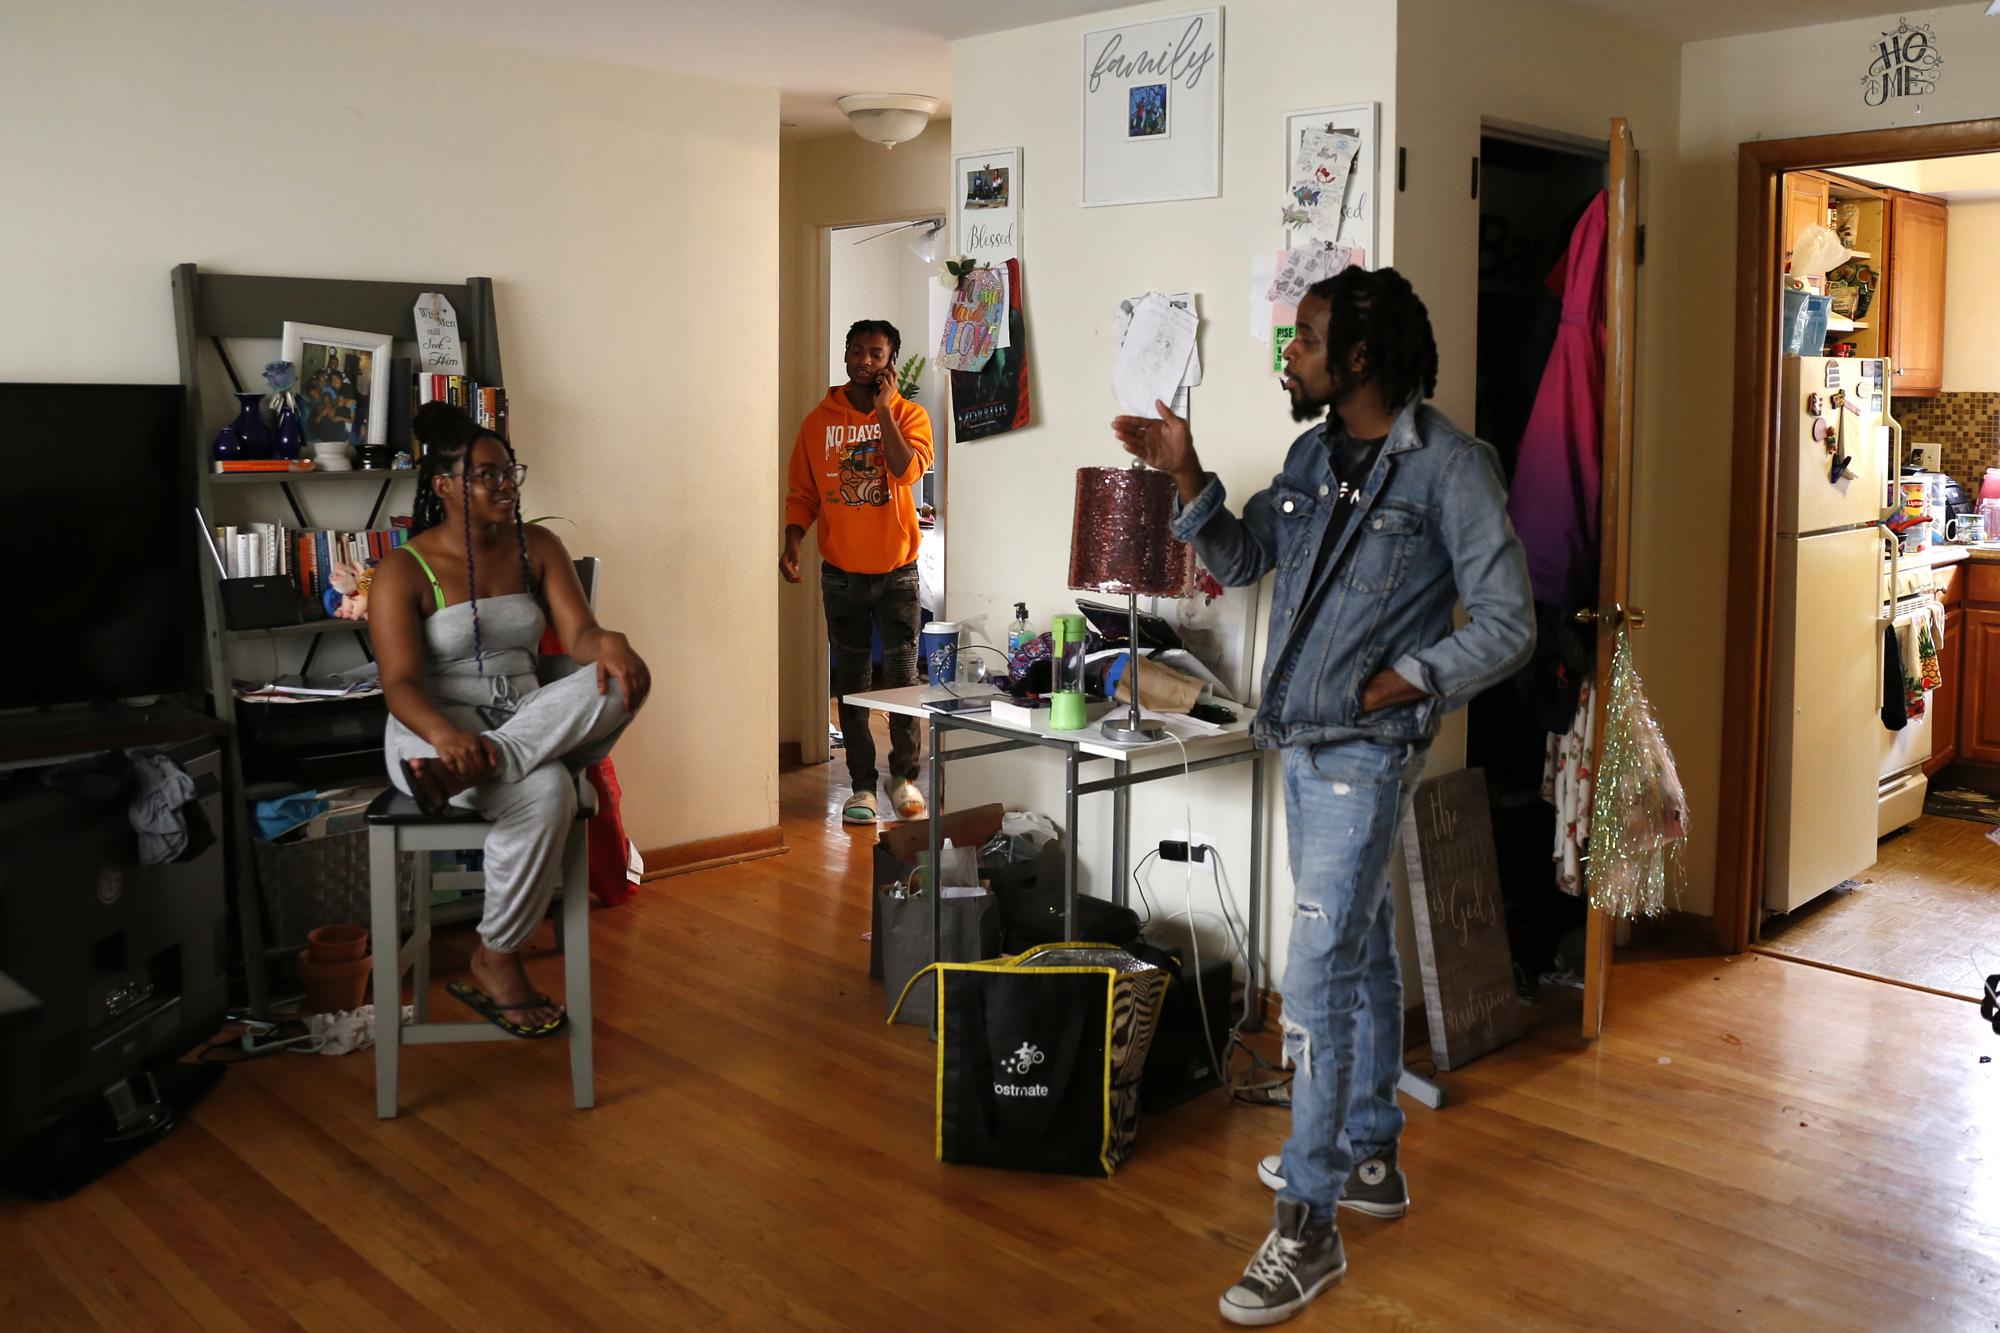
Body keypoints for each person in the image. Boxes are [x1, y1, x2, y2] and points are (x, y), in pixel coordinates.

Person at [1112, 266, 1534, 1326]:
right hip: (1294, 745)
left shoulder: (1449, 470)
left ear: (1356, 357)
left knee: (1312, 983)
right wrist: (1186, 470)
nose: (1286, 355)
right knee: (1356, 952)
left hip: (1363, 754)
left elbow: (1507, 620)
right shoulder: (1309, 454)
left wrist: (1407, 678)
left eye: (1301, 340)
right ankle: (1369, 1158)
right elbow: (1245, 557)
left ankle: (1305, 1226)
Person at [375, 402, 652, 1038]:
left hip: (520, 718)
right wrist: (447, 738)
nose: (507, 486)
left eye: (511, 472)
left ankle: (495, 758)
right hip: (431, 735)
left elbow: (578, 634)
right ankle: (497, 958)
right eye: (487, 475)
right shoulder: (403, 569)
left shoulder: (539, 546)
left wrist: (608, 640)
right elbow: (400, 685)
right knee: (551, 788)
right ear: (445, 486)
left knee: (625, 679)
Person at [780, 318, 935, 826]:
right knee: (849, 687)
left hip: (899, 573)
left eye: (877, 353)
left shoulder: (911, 415)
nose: (866, 361)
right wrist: (793, 540)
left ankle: (906, 781)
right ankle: (863, 788)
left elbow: (904, 470)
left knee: (902, 687)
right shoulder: (817, 423)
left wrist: (886, 411)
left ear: (891, 362)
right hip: (842, 574)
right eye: (858, 351)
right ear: (846, 355)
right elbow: (803, 493)